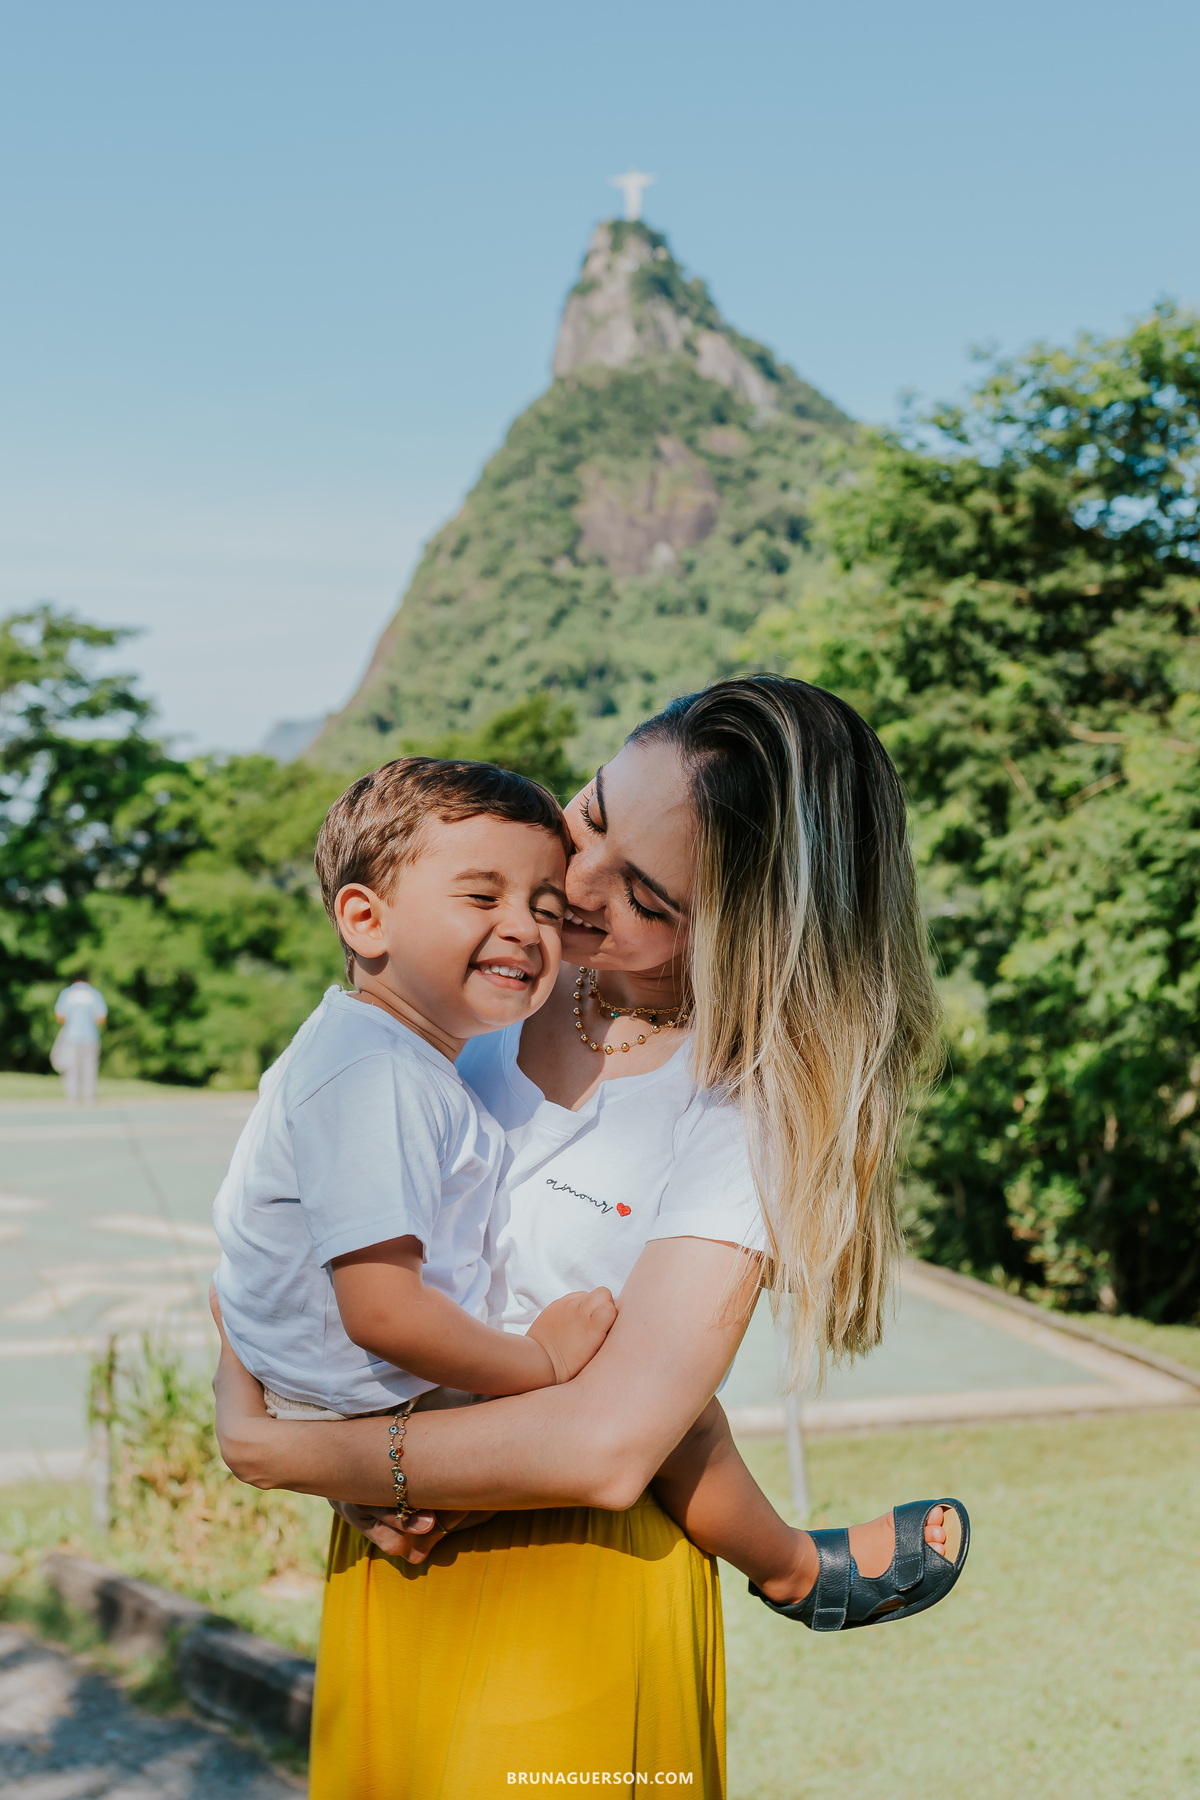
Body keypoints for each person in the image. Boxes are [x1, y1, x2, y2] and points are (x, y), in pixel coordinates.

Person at [212, 676, 966, 1800]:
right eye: (595, 815)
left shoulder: (740, 1106)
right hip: (392, 1559)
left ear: (744, 935)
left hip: (574, 1604)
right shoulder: (469, 978)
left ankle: (796, 1568)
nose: (575, 890)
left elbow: (613, 1446)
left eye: (649, 898)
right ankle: (798, 1566)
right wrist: (275, 1405)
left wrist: (285, 1451)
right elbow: (282, 1210)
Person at [213, 757, 619, 1427]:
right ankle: (798, 1541)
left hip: (344, 1393)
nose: (524, 927)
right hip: (377, 1400)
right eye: (483, 898)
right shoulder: (378, 1077)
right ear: (366, 921)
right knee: (666, 1423)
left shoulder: (375, 1048)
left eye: (546, 909)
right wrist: (539, 1362)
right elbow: (384, 1313)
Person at [52, 973, 107, 1105]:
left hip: (71, 1037)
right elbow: (101, 1018)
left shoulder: (67, 993)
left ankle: (73, 1098)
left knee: (72, 1068)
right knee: (90, 1068)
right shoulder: (94, 994)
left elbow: (60, 1017)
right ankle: (90, 1098)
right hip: (91, 1037)